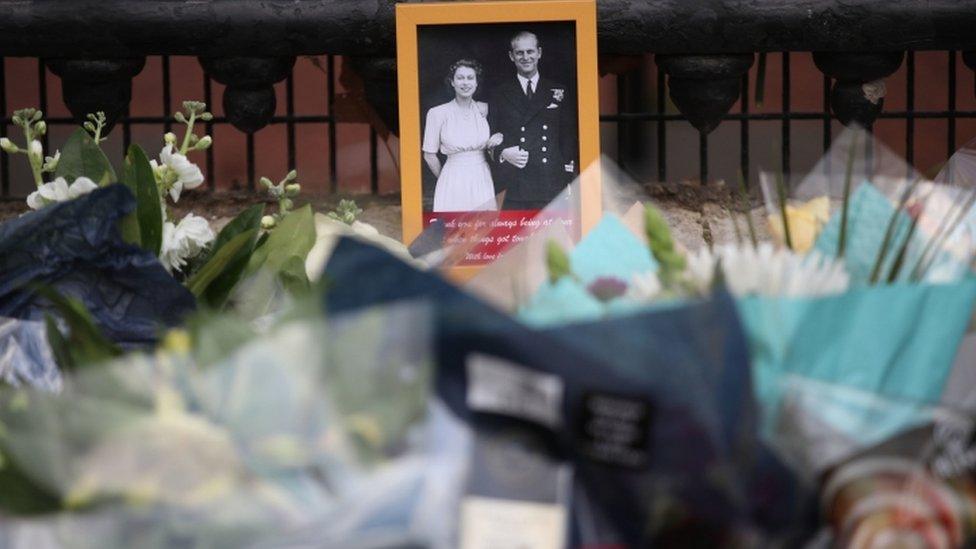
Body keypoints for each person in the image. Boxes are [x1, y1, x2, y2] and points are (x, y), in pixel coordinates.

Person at [488, 31, 578, 210]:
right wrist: (502, 153)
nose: (525, 57)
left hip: (550, 182)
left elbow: (568, 137)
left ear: (539, 53)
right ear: (511, 56)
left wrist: (568, 176)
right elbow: (489, 134)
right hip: (514, 183)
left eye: (530, 51)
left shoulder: (558, 91)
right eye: (519, 52)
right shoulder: (499, 92)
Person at [422, 59, 503, 212]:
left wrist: (499, 136)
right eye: (460, 78)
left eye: (470, 78)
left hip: (482, 176)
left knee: (481, 229)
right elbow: (429, 155)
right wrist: (446, 179)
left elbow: (500, 138)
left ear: (477, 82)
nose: (465, 83)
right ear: (452, 82)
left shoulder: (485, 110)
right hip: (452, 177)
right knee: (453, 231)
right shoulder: (437, 113)